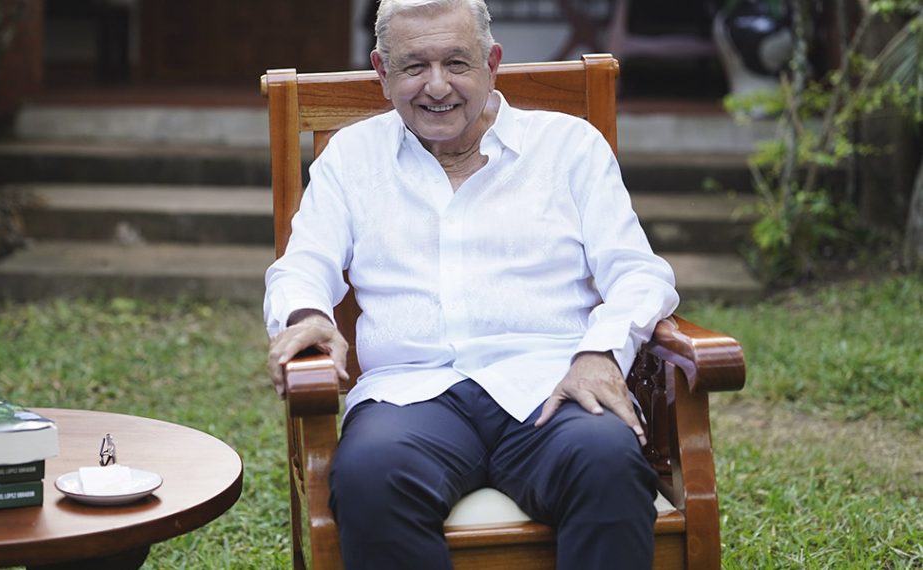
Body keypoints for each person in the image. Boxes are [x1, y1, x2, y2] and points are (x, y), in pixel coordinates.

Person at [264, 0, 678, 568]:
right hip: (409, 398)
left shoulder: (569, 147)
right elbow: (302, 263)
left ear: (493, 63)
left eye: (457, 63)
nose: (438, 87)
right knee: (370, 475)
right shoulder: (351, 159)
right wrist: (307, 316)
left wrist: (601, 352)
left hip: (552, 386)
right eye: (414, 67)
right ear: (383, 74)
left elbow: (638, 272)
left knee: (607, 461)